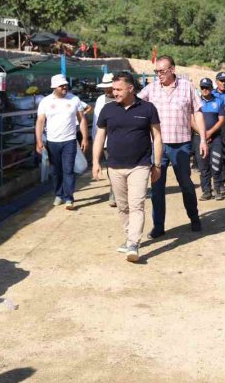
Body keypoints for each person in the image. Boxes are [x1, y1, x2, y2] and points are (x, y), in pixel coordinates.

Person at [93, 72, 162, 262]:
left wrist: (157, 164)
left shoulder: (148, 108)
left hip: (140, 165)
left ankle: (133, 243)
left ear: (130, 88)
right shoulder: (108, 110)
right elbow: (100, 137)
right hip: (114, 166)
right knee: (122, 206)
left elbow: (157, 137)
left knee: (137, 205)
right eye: (113, 89)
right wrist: (95, 161)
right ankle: (128, 236)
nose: (114, 93)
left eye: (118, 89)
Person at [138, 55, 208, 236]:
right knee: (157, 188)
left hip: (181, 145)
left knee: (186, 184)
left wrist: (203, 138)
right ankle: (159, 227)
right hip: (157, 146)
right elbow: (135, 104)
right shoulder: (151, 89)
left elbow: (197, 112)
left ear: (172, 70)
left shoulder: (187, 87)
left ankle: (194, 217)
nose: (158, 74)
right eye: (156, 71)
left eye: (162, 71)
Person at [36, 74, 89, 210]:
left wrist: (84, 137)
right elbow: (40, 121)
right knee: (55, 171)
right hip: (52, 141)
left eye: (65, 85)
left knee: (68, 169)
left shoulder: (74, 99)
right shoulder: (46, 101)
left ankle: (69, 198)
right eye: (61, 86)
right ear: (55, 87)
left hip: (69, 140)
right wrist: (38, 141)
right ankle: (59, 194)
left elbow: (82, 119)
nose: (65, 87)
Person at [194, 77, 225, 201]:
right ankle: (206, 192)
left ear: (212, 88)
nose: (205, 90)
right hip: (199, 139)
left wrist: (210, 132)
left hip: (215, 138)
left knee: (216, 165)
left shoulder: (218, 101)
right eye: (202, 87)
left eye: (207, 87)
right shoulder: (196, 102)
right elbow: (191, 120)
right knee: (203, 167)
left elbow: (222, 119)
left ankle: (217, 189)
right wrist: (202, 134)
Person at [91, 73, 116, 207]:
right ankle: (114, 194)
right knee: (112, 168)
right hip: (106, 141)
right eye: (105, 88)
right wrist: (96, 142)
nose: (108, 90)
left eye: (109, 87)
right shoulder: (101, 100)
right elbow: (96, 122)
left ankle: (120, 192)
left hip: (123, 140)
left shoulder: (124, 98)